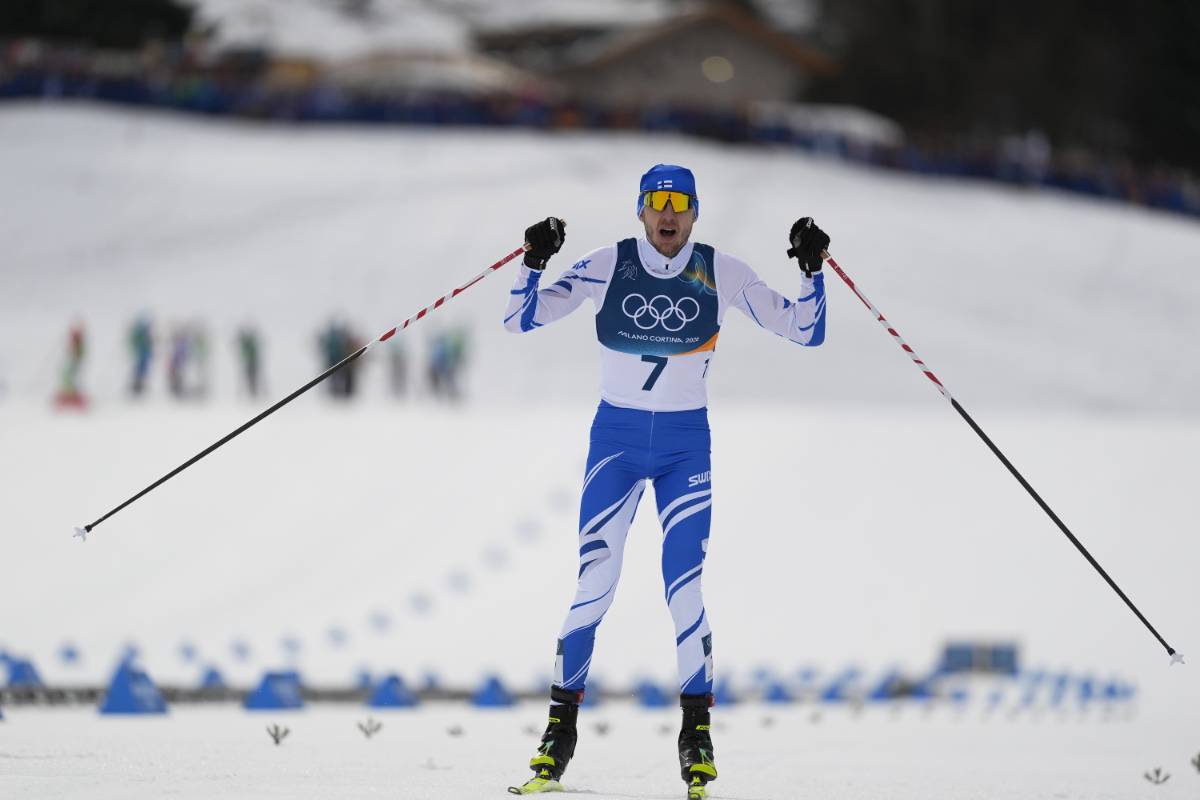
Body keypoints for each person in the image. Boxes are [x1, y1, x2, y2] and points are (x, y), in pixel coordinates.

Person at [503, 164, 830, 799]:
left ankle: (696, 737)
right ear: (641, 210)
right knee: (594, 585)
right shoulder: (608, 264)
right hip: (617, 444)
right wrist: (533, 262)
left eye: (680, 203)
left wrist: (811, 270)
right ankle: (558, 735)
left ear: (695, 212)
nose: (668, 214)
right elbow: (520, 319)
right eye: (658, 202)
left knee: (684, 587)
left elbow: (805, 330)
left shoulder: (721, 271)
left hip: (684, 447)